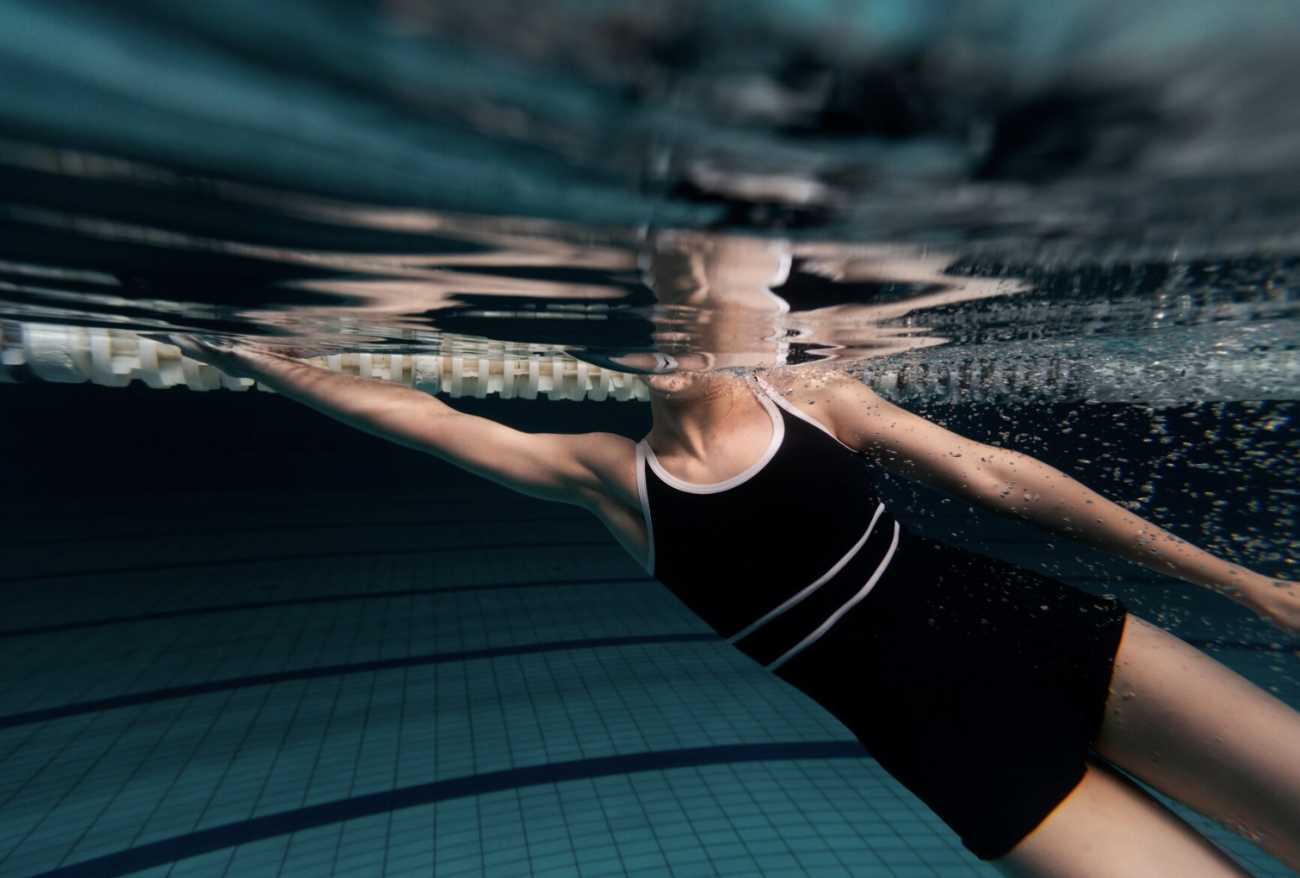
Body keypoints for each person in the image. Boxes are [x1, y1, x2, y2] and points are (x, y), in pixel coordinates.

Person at [168, 242, 1300, 876]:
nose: (659, 344)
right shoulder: (612, 479)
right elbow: (413, 416)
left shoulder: (812, 390)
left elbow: (1008, 480)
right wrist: (261, 356)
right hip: (973, 765)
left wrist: (1242, 582)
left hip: (1063, 642)